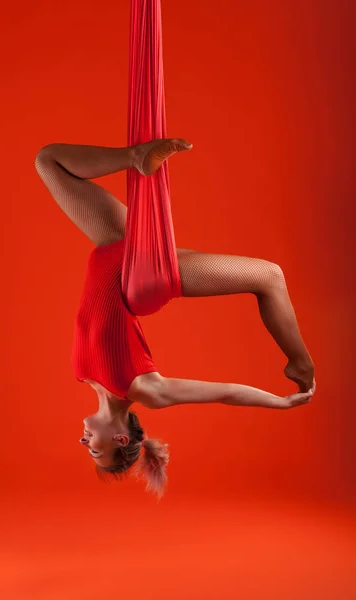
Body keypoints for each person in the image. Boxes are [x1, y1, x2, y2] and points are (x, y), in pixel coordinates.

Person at [35, 138, 316, 498]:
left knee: (49, 160)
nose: (83, 440)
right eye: (94, 449)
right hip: (143, 279)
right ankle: (301, 364)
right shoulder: (146, 391)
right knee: (269, 277)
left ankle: (135, 157)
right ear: (120, 438)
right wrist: (279, 402)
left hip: (114, 246)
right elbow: (226, 393)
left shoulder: (83, 375)